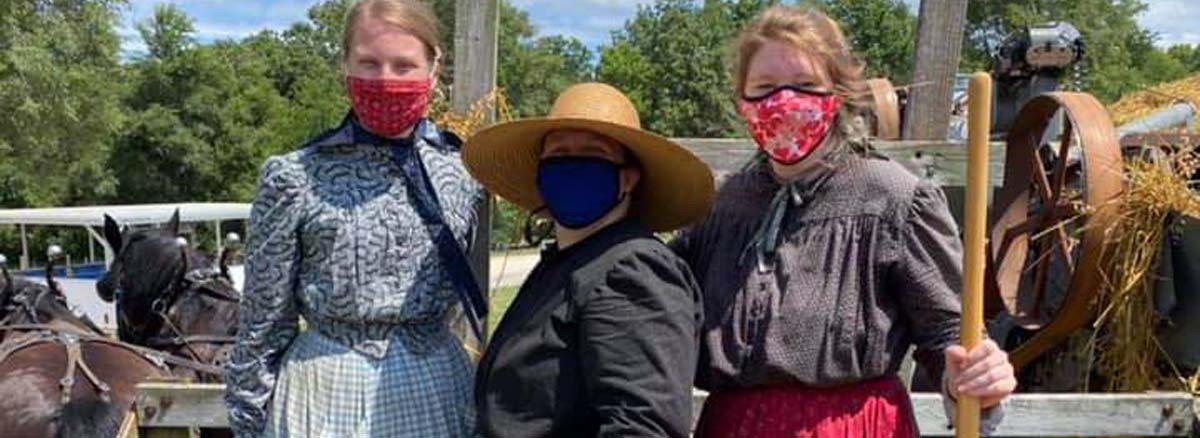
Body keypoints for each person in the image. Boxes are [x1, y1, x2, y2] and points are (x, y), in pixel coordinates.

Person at [670, 6, 1017, 437]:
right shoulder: (717, 207)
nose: (783, 101)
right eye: (765, 87)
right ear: (742, 100)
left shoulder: (895, 197)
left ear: (836, 93)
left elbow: (948, 336)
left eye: (805, 85)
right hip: (731, 426)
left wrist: (975, 379)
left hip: (854, 427)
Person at [224, 0, 485, 436]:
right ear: (345, 64)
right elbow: (263, 322)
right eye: (369, 63)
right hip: (324, 394)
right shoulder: (295, 176)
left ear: (433, 70)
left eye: (404, 66)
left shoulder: (462, 170)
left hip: (438, 388)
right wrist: (249, 421)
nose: (385, 79)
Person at [466, 83, 713, 438]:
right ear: (541, 172)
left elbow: (642, 427)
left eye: (593, 153)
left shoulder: (633, 272)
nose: (573, 163)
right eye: (559, 153)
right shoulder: (569, 263)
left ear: (628, 178)